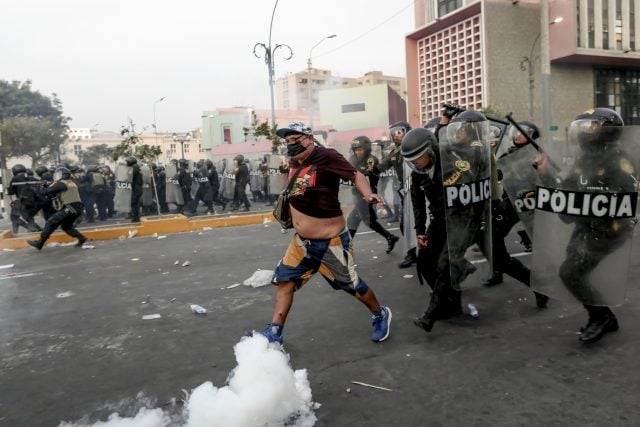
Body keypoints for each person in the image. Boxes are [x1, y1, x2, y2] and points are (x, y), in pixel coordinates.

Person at [252, 122, 392, 345]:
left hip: (331, 243)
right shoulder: (294, 162)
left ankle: (379, 313)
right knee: (285, 282)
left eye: (295, 140)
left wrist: (368, 195)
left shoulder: (326, 156)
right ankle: (275, 332)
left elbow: (356, 175)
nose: (291, 145)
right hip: (301, 243)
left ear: (309, 138)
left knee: (353, 286)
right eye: (287, 141)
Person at [535, 108, 634, 344]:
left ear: (607, 130)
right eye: (584, 126)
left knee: (570, 273)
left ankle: (600, 317)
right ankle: (605, 317)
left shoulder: (618, 160)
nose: (585, 131)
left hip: (608, 230)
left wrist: (598, 199)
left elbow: (626, 198)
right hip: (586, 226)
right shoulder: (585, 157)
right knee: (572, 272)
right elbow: (566, 193)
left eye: (591, 126)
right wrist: (546, 172)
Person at [346, 136, 399, 252]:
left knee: (353, 221)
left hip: (367, 195)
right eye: (355, 149)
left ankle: (346, 248)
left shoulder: (371, 159)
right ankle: (390, 237)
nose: (357, 152)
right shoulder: (352, 159)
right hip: (357, 194)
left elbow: (367, 174)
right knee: (367, 221)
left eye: (360, 149)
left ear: (366, 148)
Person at [378, 121, 418, 268]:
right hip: (406, 192)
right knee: (405, 224)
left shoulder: (416, 146)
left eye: (400, 131)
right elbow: (380, 168)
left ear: (407, 131)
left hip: (422, 190)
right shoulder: (394, 153)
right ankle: (412, 254)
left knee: (425, 223)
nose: (396, 135)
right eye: (394, 132)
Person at [26, 167, 88, 250]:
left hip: (70, 207)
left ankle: (40, 243)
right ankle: (81, 238)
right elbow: (55, 192)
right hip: (77, 207)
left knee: (51, 221)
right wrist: (47, 185)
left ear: (62, 175)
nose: (56, 177)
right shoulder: (70, 182)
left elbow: (44, 192)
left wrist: (41, 186)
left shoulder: (61, 184)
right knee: (66, 226)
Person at [127, 157, 143, 222]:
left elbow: (129, 176)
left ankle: (135, 217)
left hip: (136, 188)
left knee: (134, 203)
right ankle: (136, 217)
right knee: (135, 203)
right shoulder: (136, 167)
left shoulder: (134, 168)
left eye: (128, 161)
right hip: (137, 188)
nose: (127, 163)